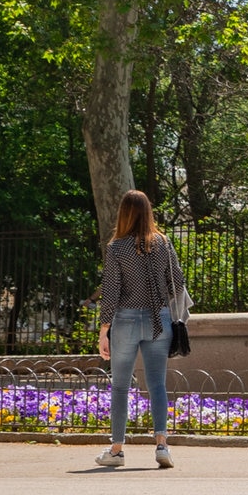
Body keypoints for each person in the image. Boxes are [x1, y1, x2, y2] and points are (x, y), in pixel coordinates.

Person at [95, 189, 186, 470]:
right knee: (157, 384)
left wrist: (103, 330)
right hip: (159, 320)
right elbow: (178, 284)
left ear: (124, 213)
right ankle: (162, 445)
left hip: (126, 320)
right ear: (149, 212)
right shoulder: (163, 243)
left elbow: (111, 291)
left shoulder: (117, 247)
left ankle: (117, 450)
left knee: (121, 386)